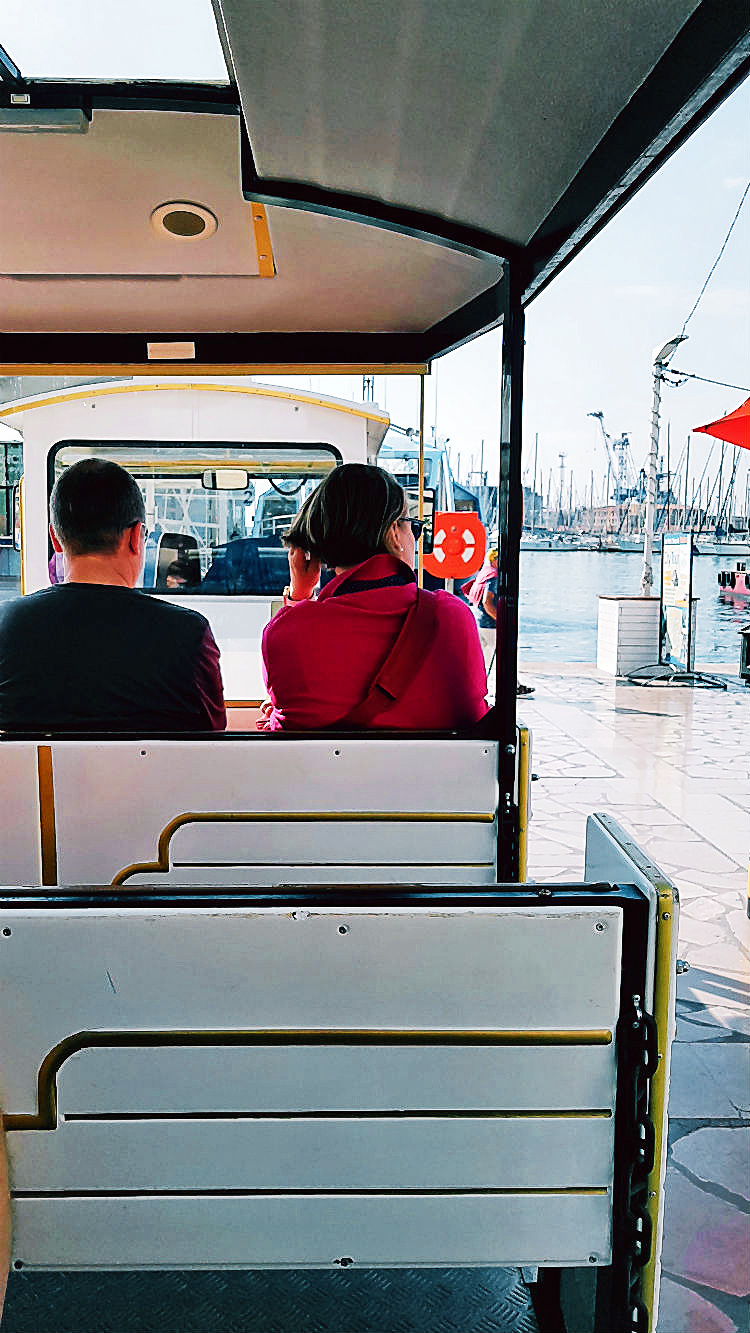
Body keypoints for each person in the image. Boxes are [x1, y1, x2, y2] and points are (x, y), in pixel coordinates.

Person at [0, 459, 226, 732]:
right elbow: (213, 738)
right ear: (135, 537)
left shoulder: (6, 626)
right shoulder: (189, 634)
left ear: (56, 540)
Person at [257, 463, 488, 731]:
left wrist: (300, 597)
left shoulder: (286, 632)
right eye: (412, 526)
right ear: (393, 533)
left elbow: (283, 734)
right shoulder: (450, 616)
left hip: (327, 774)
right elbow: (474, 719)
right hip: (438, 773)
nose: (414, 537)